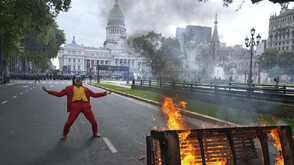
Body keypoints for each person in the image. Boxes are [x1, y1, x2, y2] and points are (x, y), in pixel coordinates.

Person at [42, 74, 111, 140]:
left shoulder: (85, 88)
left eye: (79, 78)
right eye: (76, 78)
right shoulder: (69, 88)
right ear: (74, 80)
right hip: (75, 106)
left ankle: (95, 132)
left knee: (93, 121)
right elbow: (59, 94)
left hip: (86, 105)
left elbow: (94, 95)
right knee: (69, 122)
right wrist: (49, 91)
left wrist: (105, 93)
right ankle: (64, 134)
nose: (78, 80)